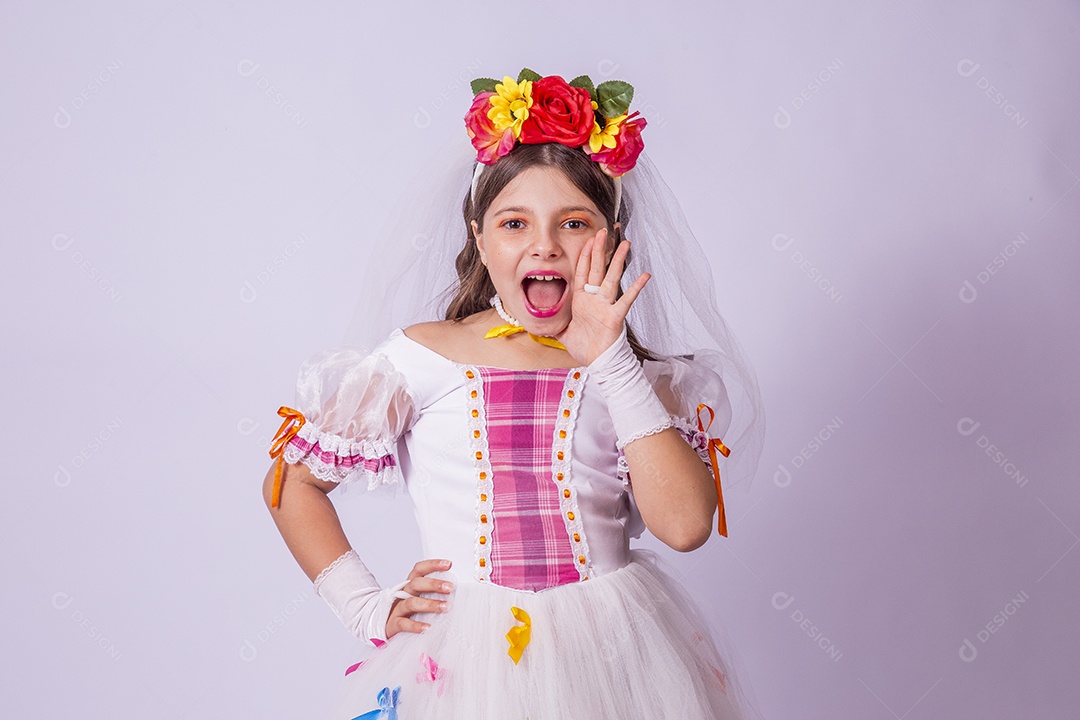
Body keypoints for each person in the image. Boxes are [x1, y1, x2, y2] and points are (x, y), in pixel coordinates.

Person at [262, 68, 766, 719]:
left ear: (614, 235)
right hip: (468, 658)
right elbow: (291, 483)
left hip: (612, 651)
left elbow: (685, 526)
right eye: (514, 224)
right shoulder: (422, 357)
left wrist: (611, 360)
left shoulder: (643, 381)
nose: (545, 246)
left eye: (575, 223)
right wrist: (367, 606)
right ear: (478, 236)